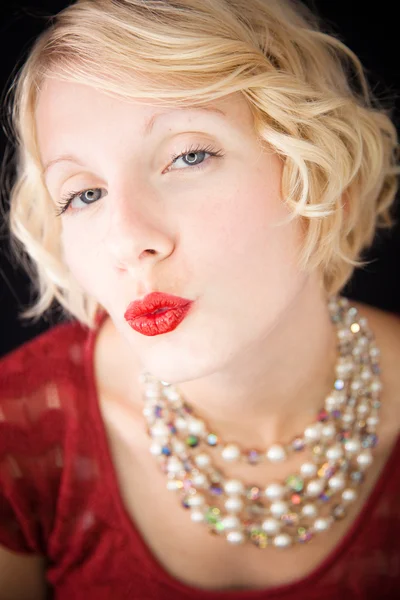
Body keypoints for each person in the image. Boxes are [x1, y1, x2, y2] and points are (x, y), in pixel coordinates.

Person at [0, 0, 399, 598]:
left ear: (319, 172)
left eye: (189, 155)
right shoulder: (17, 434)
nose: (129, 239)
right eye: (83, 194)